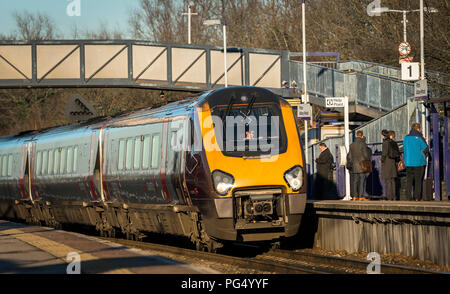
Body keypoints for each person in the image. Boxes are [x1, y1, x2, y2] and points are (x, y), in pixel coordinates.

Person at [403, 123, 429, 201]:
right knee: (418, 181)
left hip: (408, 162)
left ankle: (408, 197)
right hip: (419, 162)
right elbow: (426, 149)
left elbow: (404, 149)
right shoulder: (419, 138)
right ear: (418, 129)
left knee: (409, 180)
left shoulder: (406, 138)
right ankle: (417, 197)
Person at [346, 130, 372, 201]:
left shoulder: (351, 145)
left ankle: (355, 196)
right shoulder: (363, 144)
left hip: (354, 166)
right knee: (361, 181)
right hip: (362, 165)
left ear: (356, 135)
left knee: (355, 181)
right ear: (362, 135)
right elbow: (366, 155)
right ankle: (360, 196)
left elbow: (350, 157)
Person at [381, 130, 399, 200]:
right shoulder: (393, 142)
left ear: (383, 135)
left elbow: (384, 154)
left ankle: (389, 197)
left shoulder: (385, 143)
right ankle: (394, 197)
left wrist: (382, 160)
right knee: (392, 181)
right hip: (393, 162)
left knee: (388, 181)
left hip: (387, 163)